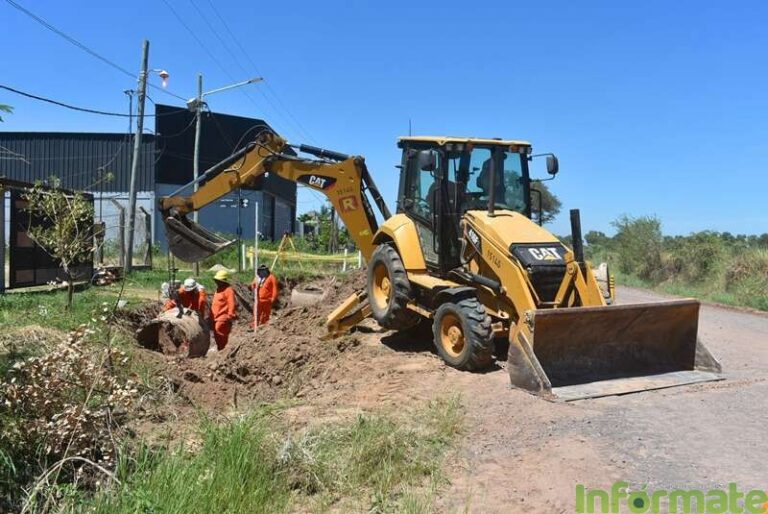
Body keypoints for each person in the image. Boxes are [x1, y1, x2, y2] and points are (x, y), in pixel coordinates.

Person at [210, 269, 237, 350]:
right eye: (216, 280)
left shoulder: (228, 290)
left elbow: (231, 303)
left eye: (219, 281)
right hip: (215, 316)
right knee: (216, 333)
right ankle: (220, 349)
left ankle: (223, 349)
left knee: (219, 331)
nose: (217, 282)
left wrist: (230, 315)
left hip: (223, 316)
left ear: (223, 280)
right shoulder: (218, 290)